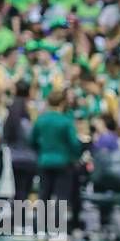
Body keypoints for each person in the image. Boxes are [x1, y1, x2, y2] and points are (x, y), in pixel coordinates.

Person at [30, 91, 83, 221]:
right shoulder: (66, 121)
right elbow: (74, 144)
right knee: (61, 196)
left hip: (44, 161)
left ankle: (40, 227)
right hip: (63, 162)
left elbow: (31, 140)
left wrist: (41, 151)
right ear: (63, 103)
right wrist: (75, 156)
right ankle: (58, 228)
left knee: (43, 194)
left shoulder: (41, 120)